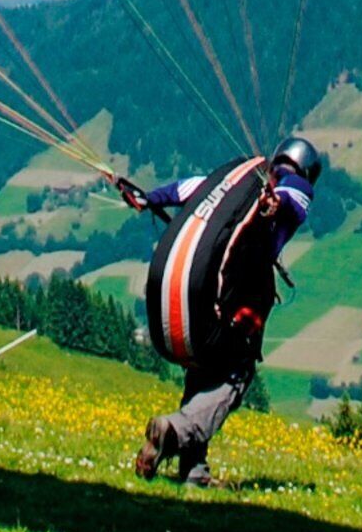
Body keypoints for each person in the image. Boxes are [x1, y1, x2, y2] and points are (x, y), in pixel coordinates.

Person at [113, 136, 323, 482]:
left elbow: (182, 190)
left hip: (173, 313)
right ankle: (175, 431)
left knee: (205, 373)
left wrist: (146, 197)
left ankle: (194, 471)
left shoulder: (232, 182)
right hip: (212, 321)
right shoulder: (294, 185)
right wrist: (276, 202)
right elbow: (294, 201)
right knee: (235, 372)